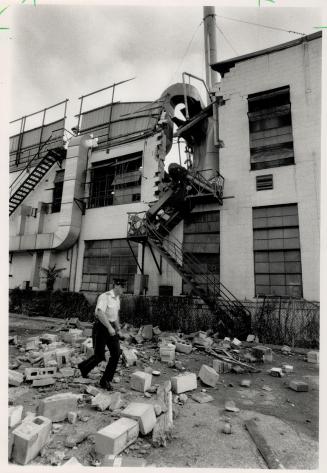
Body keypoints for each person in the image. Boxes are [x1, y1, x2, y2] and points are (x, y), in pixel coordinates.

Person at [78, 278, 126, 390]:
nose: (124, 289)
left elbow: (115, 315)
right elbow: (100, 313)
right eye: (123, 287)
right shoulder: (105, 297)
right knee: (99, 356)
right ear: (116, 286)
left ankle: (105, 381)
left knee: (116, 353)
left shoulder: (117, 298)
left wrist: (118, 328)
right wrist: (109, 327)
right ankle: (83, 368)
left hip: (111, 328)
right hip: (101, 327)